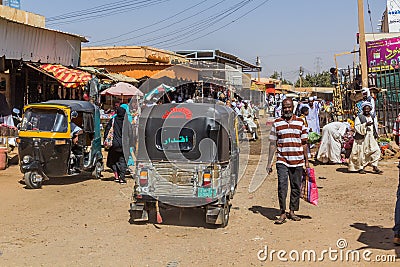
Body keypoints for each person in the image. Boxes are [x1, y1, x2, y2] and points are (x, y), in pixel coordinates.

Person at [267, 98, 309, 224]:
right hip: (282, 160)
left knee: (295, 186)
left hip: (297, 160)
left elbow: (304, 143)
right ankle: (282, 212)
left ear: (293, 107)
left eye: (289, 107)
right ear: (282, 108)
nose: (287, 109)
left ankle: (292, 211)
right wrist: (269, 162)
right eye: (285, 107)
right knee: (282, 186)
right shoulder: (277, 123)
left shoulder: (300, 122)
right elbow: (272, 144)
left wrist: (306, 161)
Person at [348, 102, 382, 174]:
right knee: (362, 153)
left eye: (368, 108)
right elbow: (357, 127)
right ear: (363, 109)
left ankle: (374, 166)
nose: (366, 110)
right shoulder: (359, 117)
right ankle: (361, 168)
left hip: (371, 137)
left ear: (370, 109)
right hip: (362, 138)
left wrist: (376, 134)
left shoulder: (373, 116)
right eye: (365, 109)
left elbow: (375, 126)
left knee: (376, 150)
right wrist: (365, 124)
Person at [104, 107, 128, 184]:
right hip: (124, 144)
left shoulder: (113, 120)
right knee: (123, 161)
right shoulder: (127, 122)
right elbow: (131, 134)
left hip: (114, 144)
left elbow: (107, 131)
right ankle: (122, 178)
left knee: (113, 160)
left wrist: (106, 141)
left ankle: (116, 176)